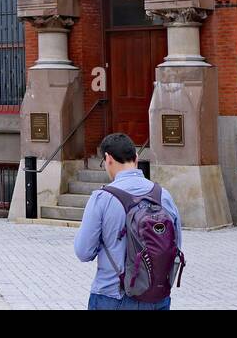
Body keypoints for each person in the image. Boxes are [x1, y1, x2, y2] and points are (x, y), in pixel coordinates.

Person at [74, 132, 183, 311]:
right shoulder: (163, 195)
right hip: (157, 297)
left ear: (108, 158)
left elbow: (83, 252)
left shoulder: (102, 198)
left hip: (112, 296)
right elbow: (175, 245)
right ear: (136, 158)